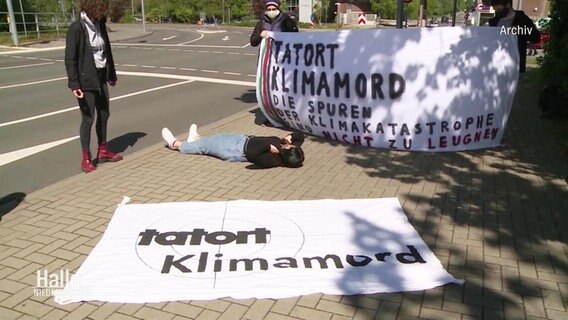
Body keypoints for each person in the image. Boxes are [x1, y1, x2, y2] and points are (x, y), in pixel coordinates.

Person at [65, 0, 122, 173]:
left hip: (101, 76)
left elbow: (107, 50)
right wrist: (74, 83)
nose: (104, 11)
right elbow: (70, 58)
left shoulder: (100, 24)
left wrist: (111, 73)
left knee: (104, 114)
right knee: (88, 119)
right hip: (85, 80)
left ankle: (103, 150)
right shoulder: (77, 28)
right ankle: (85, 158)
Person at [161, 124, 305, 169]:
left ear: (286, 155)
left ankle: (176, 145)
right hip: (242, 139)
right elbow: (300, 136)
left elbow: (253, 157)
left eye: (288, 148)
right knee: (216, 138)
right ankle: (196, 139)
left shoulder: (273, 160)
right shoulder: (283, 145)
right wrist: (288, 138)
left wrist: (269, 147)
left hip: (235, 151)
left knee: (206, 147)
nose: (288, 146)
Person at [488, 0, 540, 73]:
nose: (498, 13)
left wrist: (520, 30)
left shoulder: (522, 19)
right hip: (496, 66)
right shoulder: (493, 22)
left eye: (499, 9)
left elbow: (536, 37)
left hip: (515, 67)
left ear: (508, 4)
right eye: (495, 10)